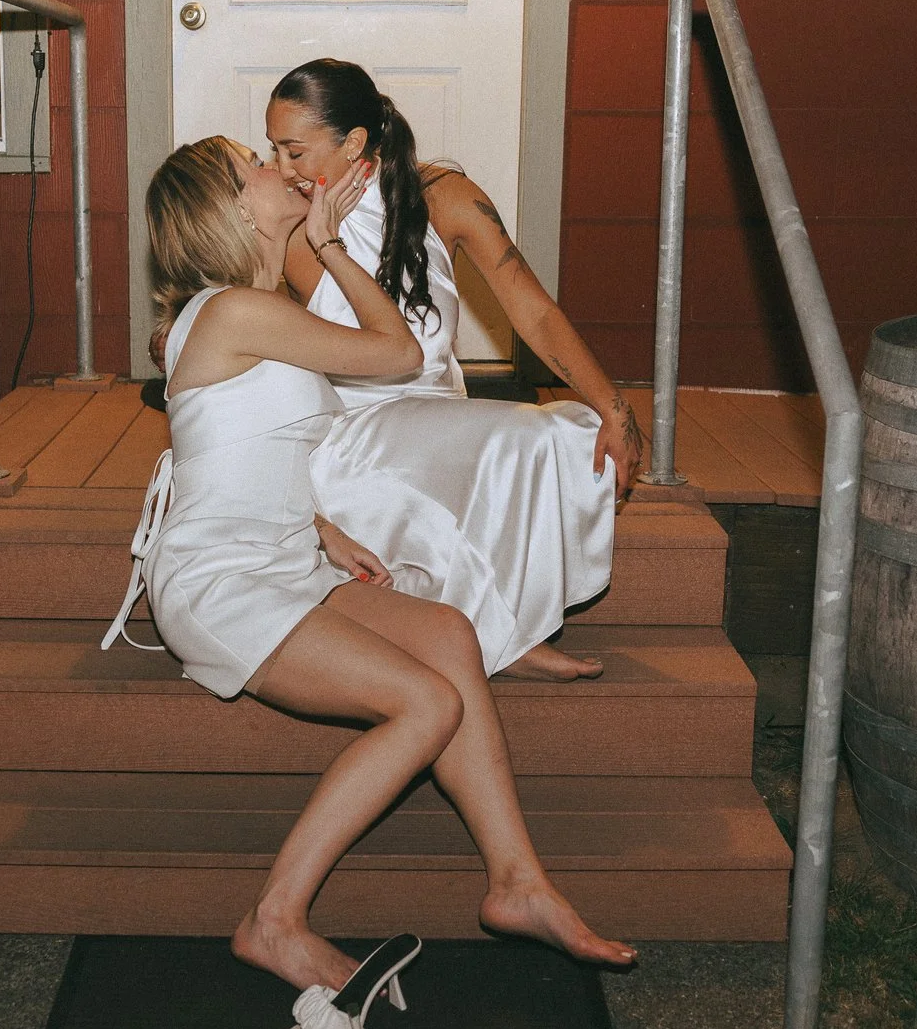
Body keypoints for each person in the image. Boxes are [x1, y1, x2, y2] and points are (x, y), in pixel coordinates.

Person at [114, 135, 636, 996]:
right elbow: (402, 357)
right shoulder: (238, 311)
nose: (281, 167)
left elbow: (231, 448)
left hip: (282, 558)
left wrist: (320, 528)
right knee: (424, 704)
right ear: (233, 206)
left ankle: (519, 885)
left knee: (448, 633)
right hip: (223, 582)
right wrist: (324, 242)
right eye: (256, 164)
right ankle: (274, 919)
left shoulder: (243, 308)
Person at [269, 59, 645, 682]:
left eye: (295, 151)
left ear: (355, 142)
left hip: (435, 415)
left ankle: (498, 628)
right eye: (275, 151)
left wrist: (615, 407)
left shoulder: (445, 197)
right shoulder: (288, 221)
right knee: (521, 437)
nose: (284, 169)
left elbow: (532, 309)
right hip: (347, 437)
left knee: (571, 432)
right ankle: (504, 640)